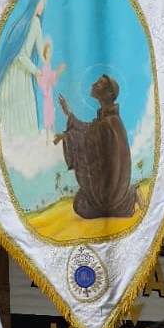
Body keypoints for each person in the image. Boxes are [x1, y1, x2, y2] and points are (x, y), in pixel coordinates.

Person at [54, 74, 139, 219]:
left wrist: (68, 137)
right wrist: (68, 114)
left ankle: (127, 198)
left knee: (81, 205)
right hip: (108, 187)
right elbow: (88, 130)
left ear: (108, 93)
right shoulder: (107, 119)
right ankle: (124, 200)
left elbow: (87, 137)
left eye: (98, 84)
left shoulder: (108, 122)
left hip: (108, 192)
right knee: (81, 202)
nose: (93, 84)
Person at [0, 0, 46, 140]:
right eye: (41, 1)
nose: (43, 6)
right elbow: (20, 54)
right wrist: (37, 71)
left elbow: (40, 49)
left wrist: (47, 64)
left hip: (18, 76)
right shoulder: (28, 23)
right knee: (19, 121)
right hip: (16, 77)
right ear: (36, 1)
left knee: (20, 120)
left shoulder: (32, 22)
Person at [37, 40, 65, 145]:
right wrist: (57, 71)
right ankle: (48, 138)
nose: (49, 54)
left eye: (50, 52)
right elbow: (46, 79)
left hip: (50, 94)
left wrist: (58, 71)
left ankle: (53, 136)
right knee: (47, 114)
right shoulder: (45, 67)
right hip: (47, 94)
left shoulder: (48, 66)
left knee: (52, 113)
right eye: (47, 52)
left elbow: (51, 77)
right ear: (44, 54)